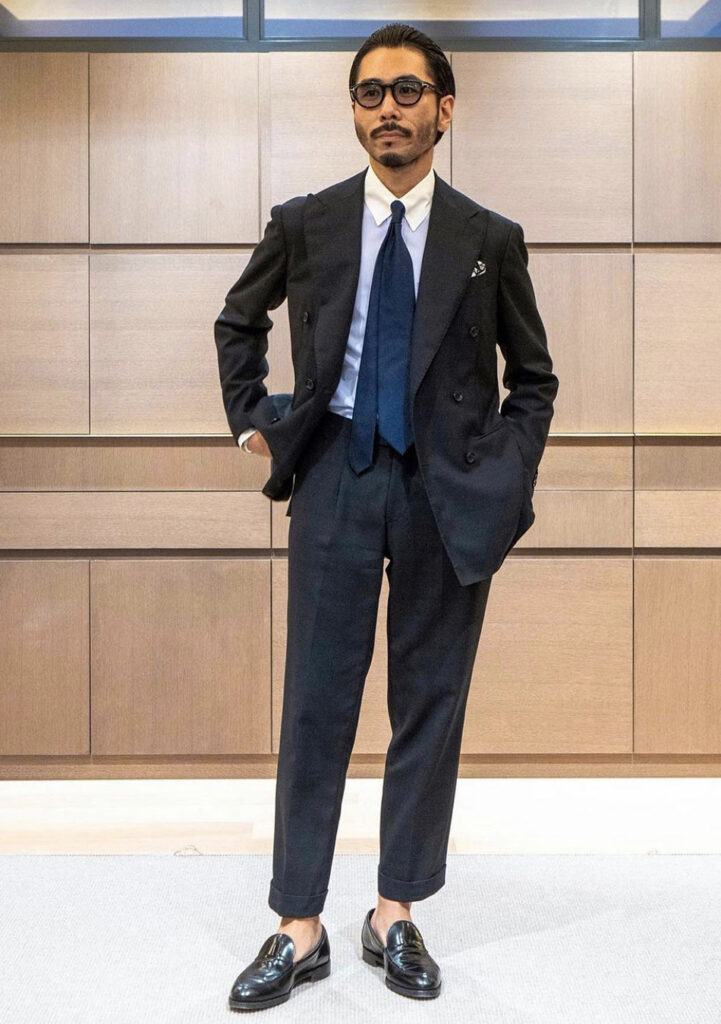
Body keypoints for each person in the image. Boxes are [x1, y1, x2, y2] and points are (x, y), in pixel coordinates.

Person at [214, 22, 559, 1011]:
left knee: (429, 705)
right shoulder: (307, 220)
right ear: (355, 111)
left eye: (408, 92)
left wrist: (508, 468)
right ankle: (298, 924)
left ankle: (395, 910)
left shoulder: (488, 238)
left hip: (444, 498)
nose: (387, 110)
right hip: (334, 483)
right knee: (314, 705)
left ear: (444, 111)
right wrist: (255, 422)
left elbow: (532, 376)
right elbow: (239, 319)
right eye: (370, 93)